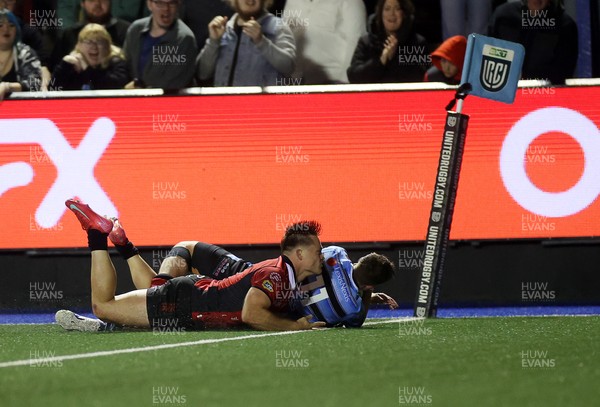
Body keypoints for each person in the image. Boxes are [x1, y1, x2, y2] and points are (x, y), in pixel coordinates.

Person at [57, 199, 326, 332]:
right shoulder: (276, 275)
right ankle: (95, 234)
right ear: (300, 253)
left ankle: (120, 246)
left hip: (190, 298)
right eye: (318, 250)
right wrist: (294, 327)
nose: (322, 255)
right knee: (103, 306)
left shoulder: (285, 275)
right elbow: (252, 313)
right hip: (186, 302)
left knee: (128, 315)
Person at [196, 0, 295, 87]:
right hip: (223, 106)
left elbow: (288, 67)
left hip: (260, 106)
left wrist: (261, 41)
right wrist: (214, 41)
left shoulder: (278, 27)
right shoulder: (223, 29)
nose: (250, 1)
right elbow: (202, 74)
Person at [488, 0, 578, 84]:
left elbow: (562, 74)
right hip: (503, 92)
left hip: (545, 95)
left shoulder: (565, 26)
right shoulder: (504, 16)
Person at [283, 0, 366, 84]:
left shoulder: (351, 2)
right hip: (294, 79)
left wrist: (344, 85)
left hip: (332, 81)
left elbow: (355, 41)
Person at [122, 0, 197, 89]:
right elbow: (125, 66)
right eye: (160, 3)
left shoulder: (184, 39)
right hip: (131, 98)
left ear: (178, 5)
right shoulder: (136, 29)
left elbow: (172, 83)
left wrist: (138, 87)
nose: (166, 8)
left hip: (164, 101)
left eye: (171, 3)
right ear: (149, 4)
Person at [348, 0, 428, 84]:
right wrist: (381, 60)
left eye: (397, 8)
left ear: (404, 13)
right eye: (387, 9)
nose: (392, 14)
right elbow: (353, 76)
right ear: (380, 13)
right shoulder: (366, 42)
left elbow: (421, 76)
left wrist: (395, 57)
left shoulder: (418, 42)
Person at [51, 0, 130, 70]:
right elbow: (54, 66)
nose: (97, 3)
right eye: (91, 0)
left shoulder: (126, 30)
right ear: (83, 3)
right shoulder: (71, 33)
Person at [51, 23, 128, 90]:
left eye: (99, 42)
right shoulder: (72, 64)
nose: (94, 46)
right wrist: (63, 66)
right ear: (79, 45)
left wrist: (87, 68)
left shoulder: (117, 63)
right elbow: (52, 90)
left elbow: (112, 86)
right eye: (88, 42)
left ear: (107, 46)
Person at [0, 8, 42, 100]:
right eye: (0, 25)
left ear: (17, 30)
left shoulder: (26, 53)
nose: (6, 29)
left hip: (19, 108)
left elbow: (34, 84)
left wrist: (7, 87)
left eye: (11, 25)